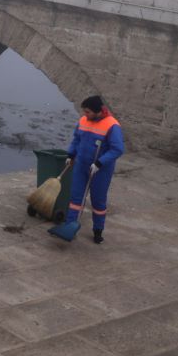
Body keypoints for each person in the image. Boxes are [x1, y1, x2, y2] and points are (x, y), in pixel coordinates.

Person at [49, 95, 124, 244]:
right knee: (76, 198)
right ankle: (70, 226)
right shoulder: (83, 121)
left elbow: (117, 149)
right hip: (81, 165)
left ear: (97, 111)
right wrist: (71, 155)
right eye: (84, 111)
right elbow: (77, 139)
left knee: (98, 201)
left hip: (100, 170)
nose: (85, 115)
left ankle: (98, 231)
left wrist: (100, 163)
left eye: (88, 112)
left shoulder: (112, 125)